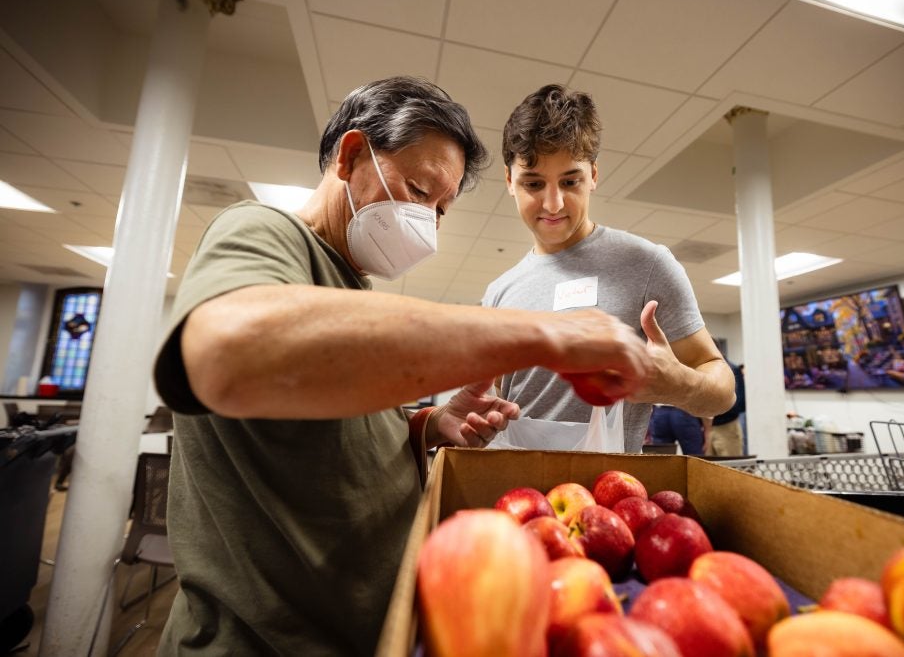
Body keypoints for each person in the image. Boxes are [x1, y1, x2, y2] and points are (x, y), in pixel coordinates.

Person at [152, 76, 651, 656]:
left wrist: (428, 423)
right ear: (351, 156)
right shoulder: (263, 232)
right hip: (265, 641)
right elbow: (227, 354)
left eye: (441, 210)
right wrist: (544, 335)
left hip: (367, 628)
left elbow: (321, 431)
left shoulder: (352, 286)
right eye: (418, 190)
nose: (428, 223)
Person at [482, 85, 735, 453]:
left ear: (594, 175)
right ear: (509, 181)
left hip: (609, 499)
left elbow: (722, 389)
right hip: (518, 499)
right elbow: (494, 403)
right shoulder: (498, 292)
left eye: (570, 181)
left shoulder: (647, 264)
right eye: (533, 183)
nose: (553, 203)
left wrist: (679, 384)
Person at [705, 359, 746, 457]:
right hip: (709, 428)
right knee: (709, 469)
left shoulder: (732, 370)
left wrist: (713, 407)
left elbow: (740, 404)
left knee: (730, 468)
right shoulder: (706, 370)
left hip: (727, 428)